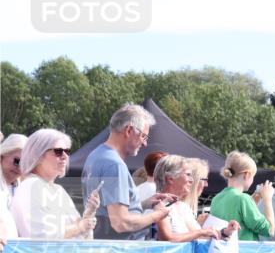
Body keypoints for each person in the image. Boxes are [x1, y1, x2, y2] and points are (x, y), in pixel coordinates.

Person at [82, 104, 174, 240]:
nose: (145, 144)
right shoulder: (114, 164)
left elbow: (106, 212)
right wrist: (157, 215)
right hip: (123, 252)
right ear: (129, 130)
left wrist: (143, 203)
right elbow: (120, 223)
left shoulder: (96, 155)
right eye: (144, 136)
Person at [11, 129, 99, 240]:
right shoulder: (31, 186)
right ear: (37, 155)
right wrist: (80, 226)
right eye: (58, 151)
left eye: (67, 151)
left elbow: (83, 238)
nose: (65, 156)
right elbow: (42, 238)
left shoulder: (59, 190)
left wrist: (89, 214)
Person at [153, 155, 236, 242]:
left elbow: (198, 237)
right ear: (170, 179)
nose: (192, 180)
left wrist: (224, 232)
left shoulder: (183, 207)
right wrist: (201, 232)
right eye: (188, 175)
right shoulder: (159, 204)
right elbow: (167, 238)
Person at [210, 151, 275, 241]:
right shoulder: (243, 199)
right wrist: (267, 199)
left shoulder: (216, 199)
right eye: (253, 176)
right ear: (247, 175)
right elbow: (270, 230)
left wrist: (253, 201)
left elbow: (238, 214)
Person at [185, 158, 211, 223]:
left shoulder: (185, 206)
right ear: (196, 180)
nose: (206, 185)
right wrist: (198, 224)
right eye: (205, 180)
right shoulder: (178, 206)